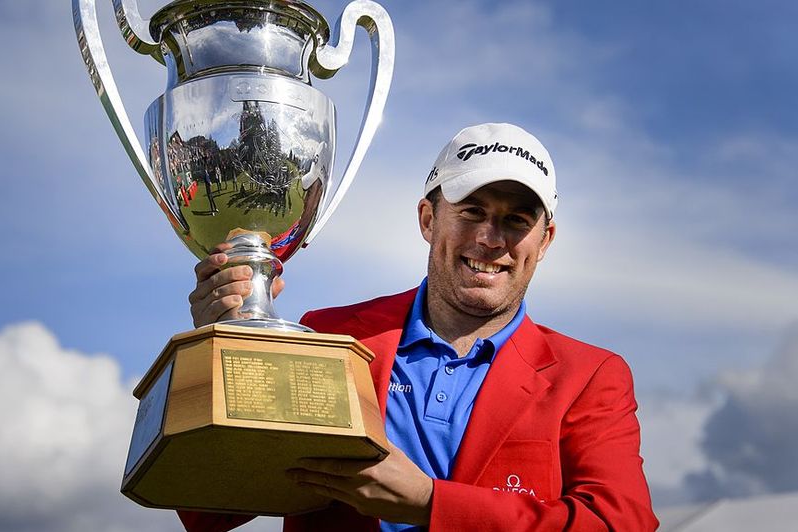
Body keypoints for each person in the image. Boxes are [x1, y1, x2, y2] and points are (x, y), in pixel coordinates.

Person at [181, 123, 658, 531]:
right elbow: (208, 508)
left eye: (516, 220)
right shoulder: (331, 337)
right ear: (428, 219)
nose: (491, 239)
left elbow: (621, 524)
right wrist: (216, 349)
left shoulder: (589, 377)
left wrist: (431, 502)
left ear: (545, 240)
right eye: (471, 212)